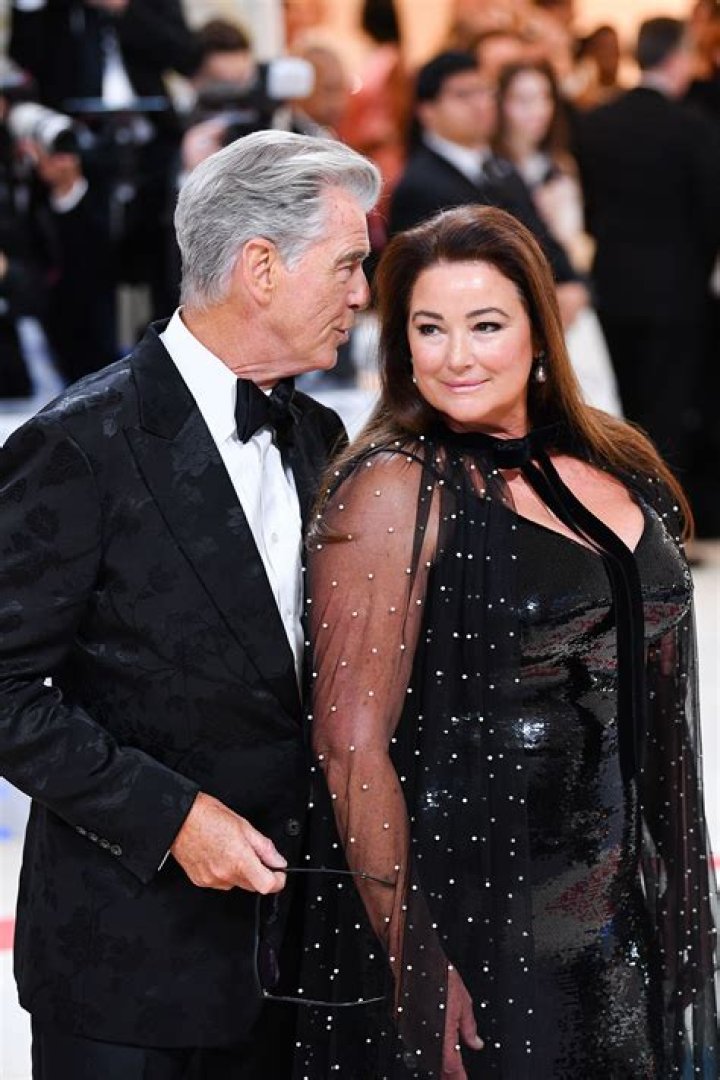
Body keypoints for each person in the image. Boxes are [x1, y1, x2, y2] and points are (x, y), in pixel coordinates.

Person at [291, 205, 718, 1078]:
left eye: (485, 325)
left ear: (538, 334)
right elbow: (348, 746)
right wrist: (415, 962)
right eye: (429, 329)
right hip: (483, 923)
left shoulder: (617, 462)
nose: (456, 356)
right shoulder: (391, 489)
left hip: (627, 915)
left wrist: (682, 904)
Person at [0, 129, 379, 1079]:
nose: (362, 294)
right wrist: (169, 818)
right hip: (126, 972)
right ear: (261, 267)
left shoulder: (316, 431)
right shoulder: (80, 444)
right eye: (348, 265)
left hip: (294, 961)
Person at [574, 17, 720, 481]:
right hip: (678, 293)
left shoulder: (596, 123)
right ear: (678, 59)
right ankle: (663, 509)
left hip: (613, 284)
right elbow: (711, 215)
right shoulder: (693, 127)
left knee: (619, 410)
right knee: (668, 414)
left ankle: (619, 498)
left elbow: (590, 209)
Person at [388, 51, 589, 333]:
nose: (480, 104)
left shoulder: (500, 166)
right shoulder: (420, 185)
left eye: (484, 92)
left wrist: (571, 283)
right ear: (427, 111)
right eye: (463, 95)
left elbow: (539, 235)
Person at [493, 59, 622, 415]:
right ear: (501, 103)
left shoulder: (560, 164)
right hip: (529, 301)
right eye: (523, 100)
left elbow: (577, 241)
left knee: (592, 398)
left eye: (544, 98)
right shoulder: (494, 170)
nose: (536, 111)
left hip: (572, 296)